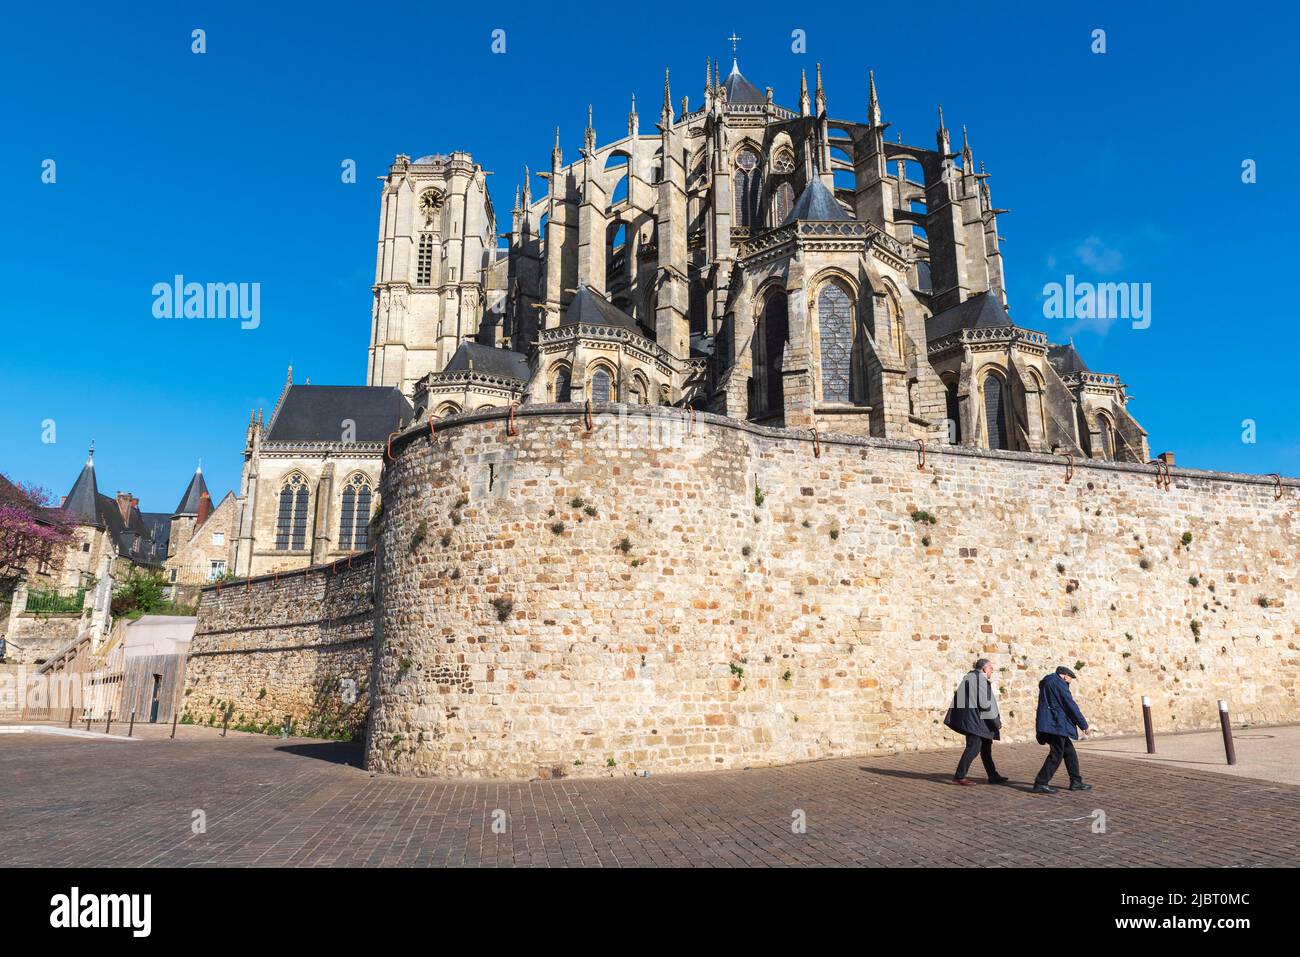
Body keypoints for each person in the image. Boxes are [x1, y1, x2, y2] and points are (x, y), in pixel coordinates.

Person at [943, 658, 1009, 785]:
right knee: (973, 748)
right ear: (984, 669)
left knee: (985, 749)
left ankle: (992, 775)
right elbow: (985, 704)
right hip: (977, 722)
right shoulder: (979, 680)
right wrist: (996, 721)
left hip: (974, 720)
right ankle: (959, 776)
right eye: (991, 669)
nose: (992, 672)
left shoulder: (970, 678)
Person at [1032, 666, 1093, 793]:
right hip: (1055, 724)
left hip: (1052, 723)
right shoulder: (1059, 684)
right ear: (1065, 676)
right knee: (1056, 754)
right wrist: (1084, 725)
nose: (1070, 682)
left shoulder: (1048, 681)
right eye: (1070, 679)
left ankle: (1076, 781)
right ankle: (1041, 782)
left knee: (1069, 752)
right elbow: (1070, 705)